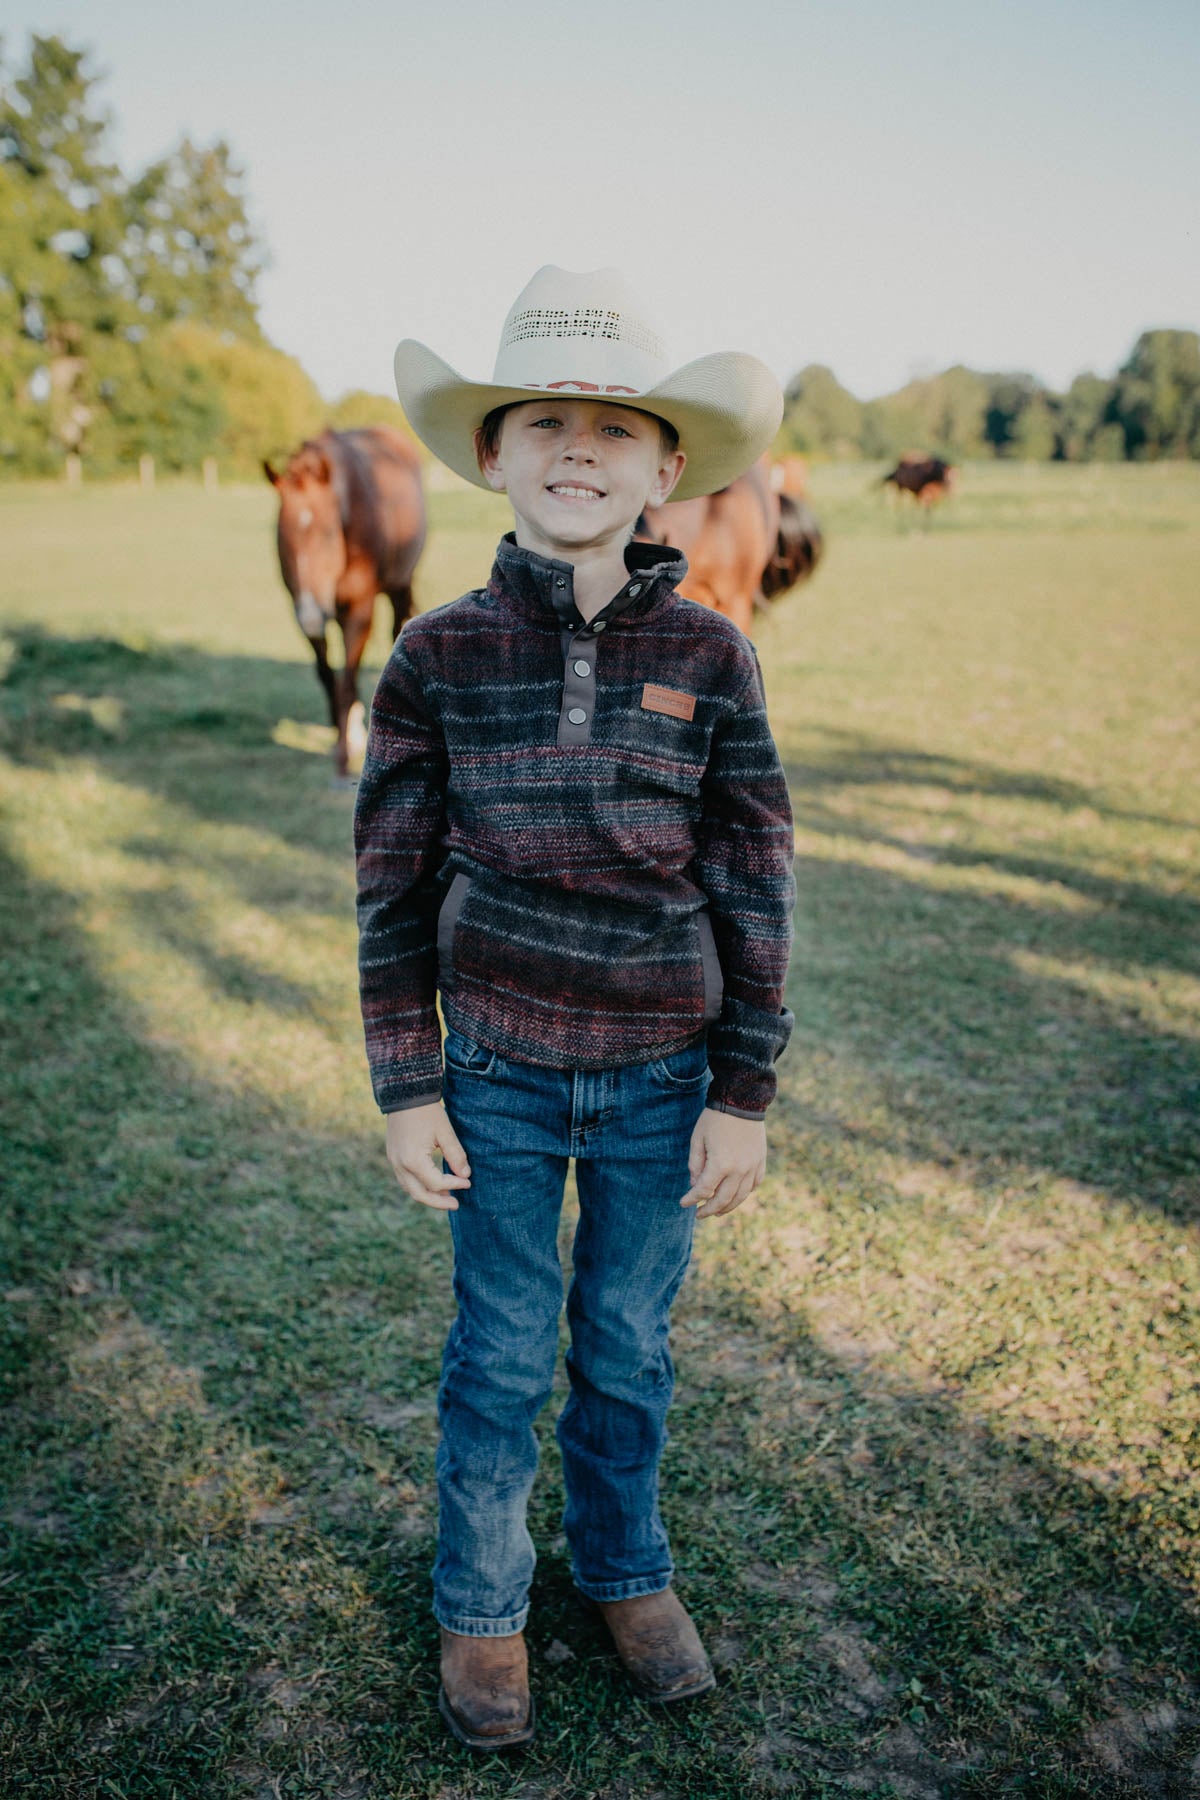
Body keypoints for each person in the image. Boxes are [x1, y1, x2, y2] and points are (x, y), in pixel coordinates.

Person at [354, 266, 796, 1751]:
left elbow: (754, 876)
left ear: (668, 465)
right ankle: (482, 1607)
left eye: (614, 425)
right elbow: (392, 890)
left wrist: (743, 1091)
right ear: (491, 451)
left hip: (666, 1078)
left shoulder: (713, 655)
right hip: (495, 1070)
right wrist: (409, 1083)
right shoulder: (437, 656)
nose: (576, 447)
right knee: (496, 1351)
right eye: (544, 417)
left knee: (624, 1343)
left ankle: (624, 1574)